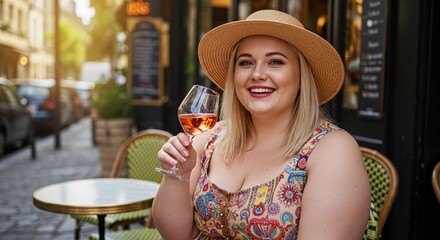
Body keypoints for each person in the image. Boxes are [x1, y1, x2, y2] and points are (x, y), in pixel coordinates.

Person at [152, 9, 372, 239]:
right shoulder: (211, 140)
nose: (257, 74)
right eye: (245, 62)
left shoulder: (332, 150)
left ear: (301, 76)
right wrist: (176, 175)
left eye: (275, 62)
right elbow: (175, 234)